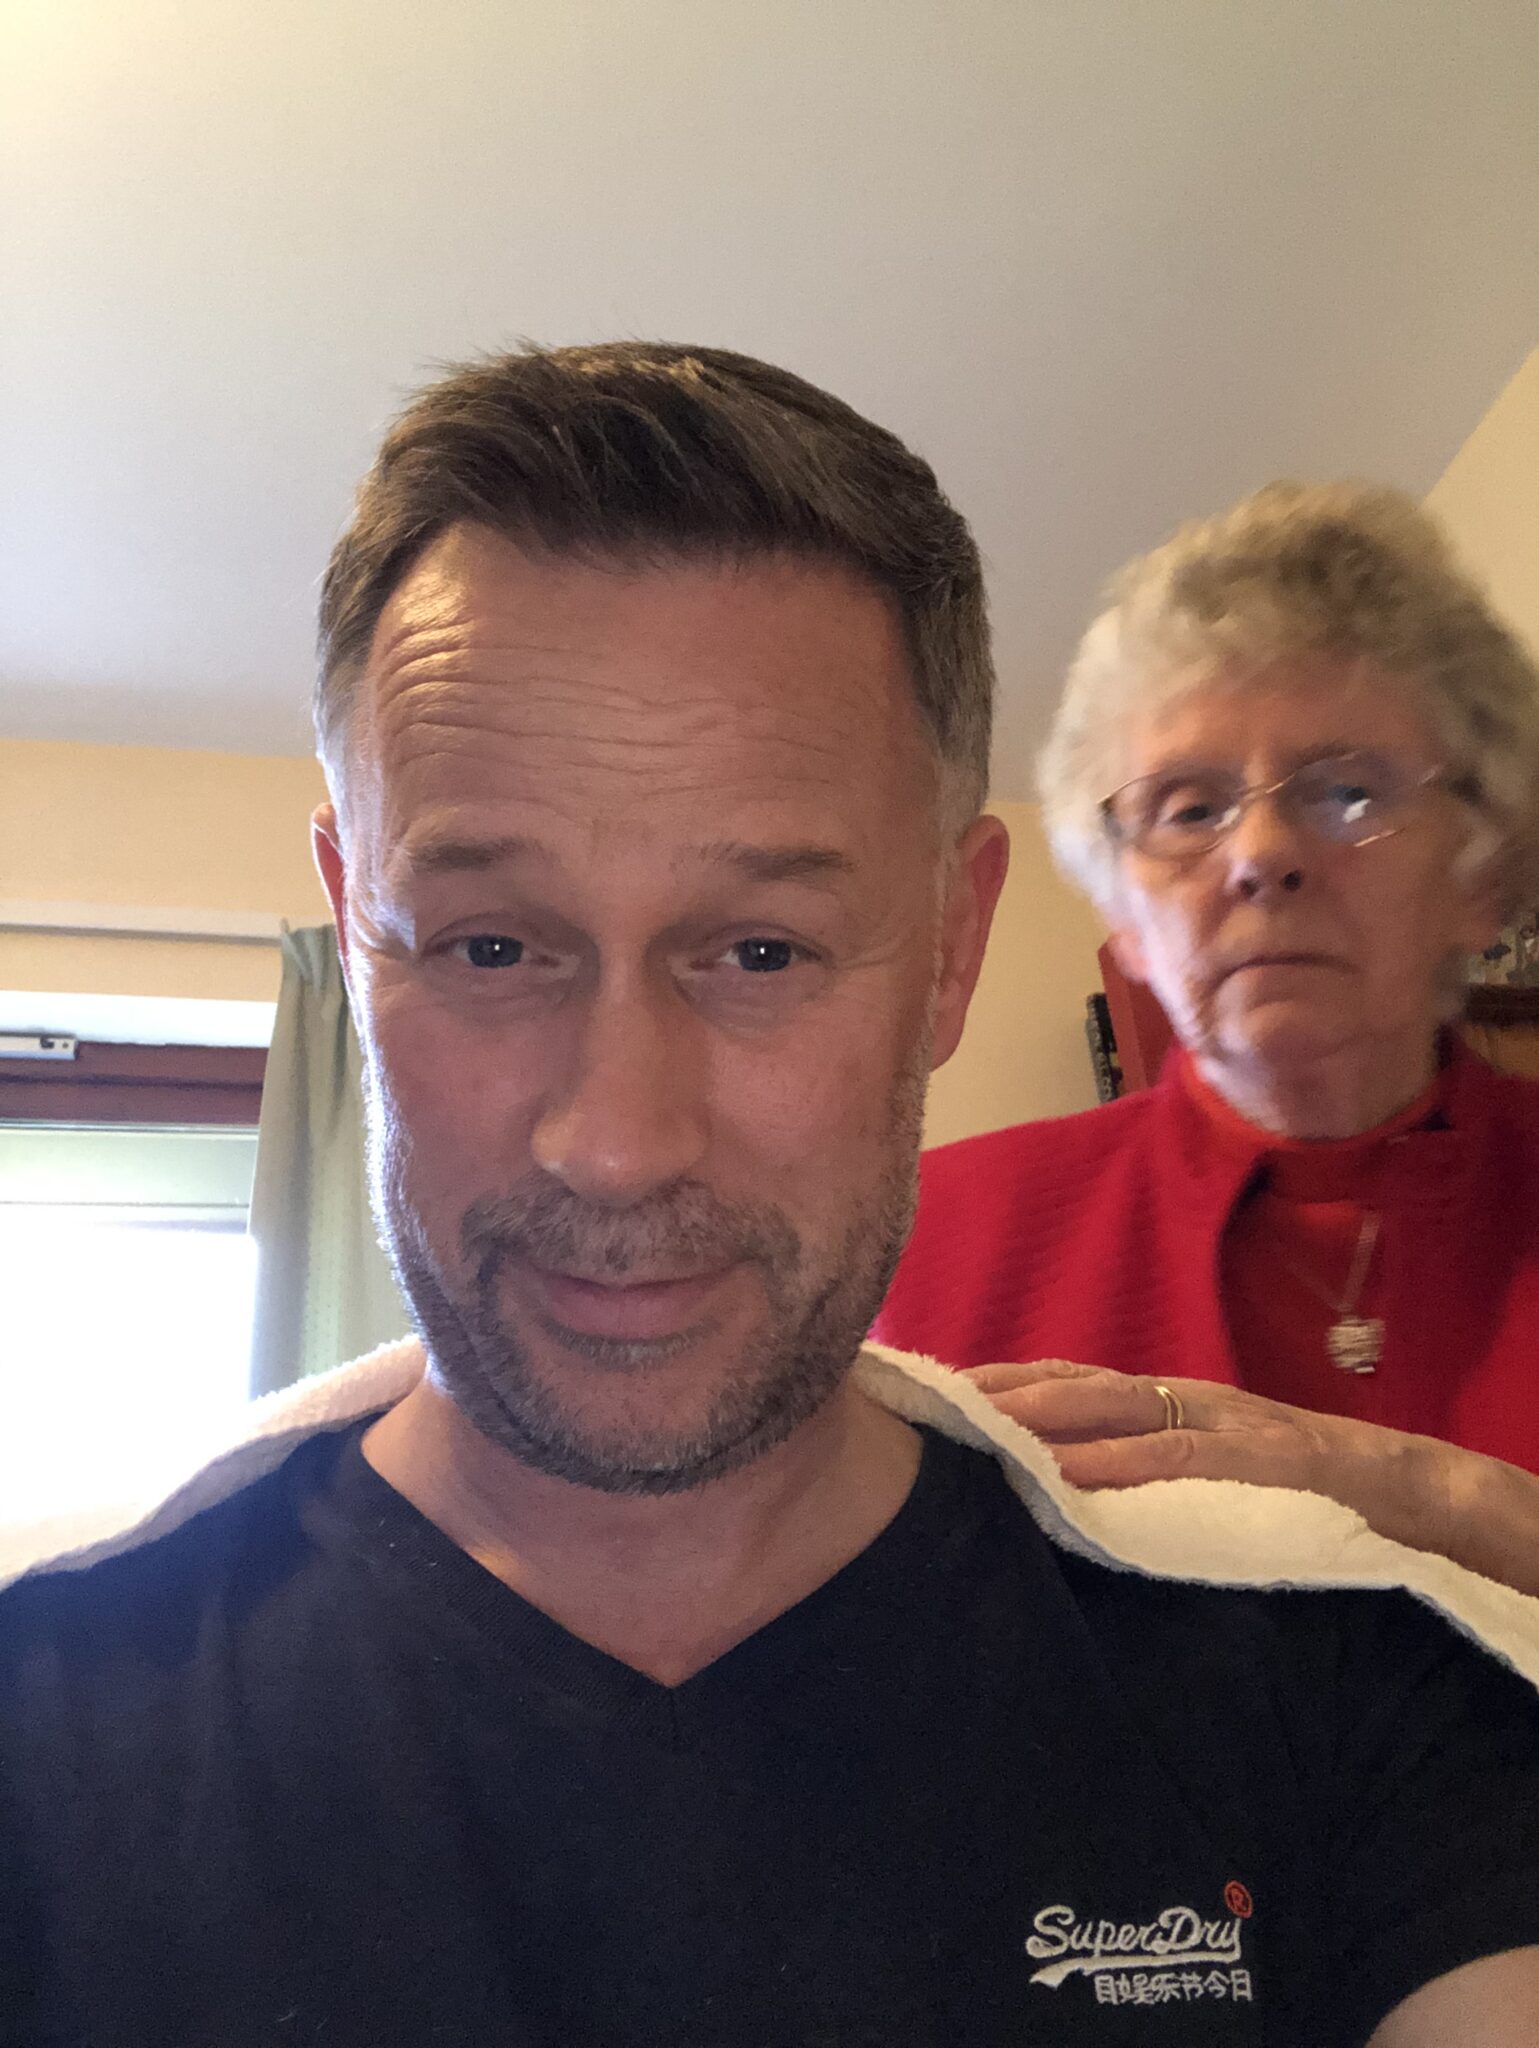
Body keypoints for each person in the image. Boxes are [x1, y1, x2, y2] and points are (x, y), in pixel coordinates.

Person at [3, 351, 1538, 2048]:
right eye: (492, 945)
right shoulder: (47, 1707)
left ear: (949, 949)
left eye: (757, 952)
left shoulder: (1329, 1680)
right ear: (353, 922)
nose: (615, 1142)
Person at [875, 481, 1539, 1595]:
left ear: (1480, 875)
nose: (1261, 854)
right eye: (1188, 808)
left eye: (1348, 790)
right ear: (1126, 924)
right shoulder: (927, 1245)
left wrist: (1443, 1498)